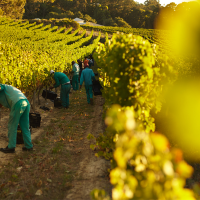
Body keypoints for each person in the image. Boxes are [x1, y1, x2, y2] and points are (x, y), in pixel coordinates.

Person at [0, 84, 33, 153]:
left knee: (12, 125)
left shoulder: (2, 86)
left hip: (18, 103)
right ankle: (29, 146)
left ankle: (11, 147)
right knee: (25, 126)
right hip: (25, 102)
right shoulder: (7, 89)